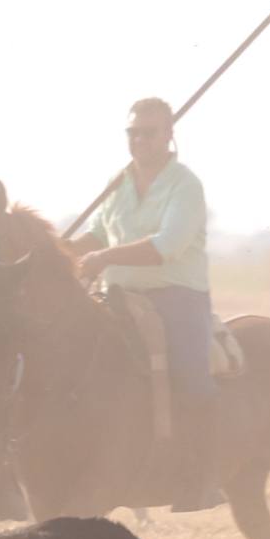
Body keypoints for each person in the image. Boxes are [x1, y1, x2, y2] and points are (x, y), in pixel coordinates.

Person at [73, 97, 220, 512]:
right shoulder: (118, 182)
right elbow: (99, 233)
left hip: (175, 296)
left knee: (192, 377)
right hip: (116, 295)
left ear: (170, 133)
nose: (139, 140)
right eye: (132, 132)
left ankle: (202, 476)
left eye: (149, 132)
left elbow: (167, 246)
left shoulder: (185, 185)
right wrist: (59, 251)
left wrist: (103, 259)